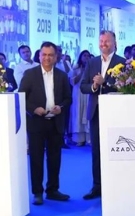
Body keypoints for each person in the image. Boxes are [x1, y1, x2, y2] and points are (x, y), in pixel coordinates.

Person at [20, 41, 72, 205]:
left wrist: (60, 107)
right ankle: (37, 192)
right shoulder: (30, 74)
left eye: (50, 55)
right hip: (36, 123)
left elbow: (68, 98)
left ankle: (52, 190)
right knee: (36, 159)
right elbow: (21, 97)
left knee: (54, 158)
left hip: (55, 122)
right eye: (44, 55)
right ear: (40, 55)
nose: (47, 58)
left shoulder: (62, 76)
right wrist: (34, 109)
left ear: (56, 57)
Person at [70, 51, 91, 146]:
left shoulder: (92, 67)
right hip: (78, 93)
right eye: (84, 55)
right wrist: (82, 72)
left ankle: (89, 139)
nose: (86, 57)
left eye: (88, 56)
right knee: (78, 113)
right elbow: (73, 82)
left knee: (87, 113)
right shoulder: (75, 68)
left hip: (88, 92)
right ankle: (79, 139)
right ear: (80, 57)